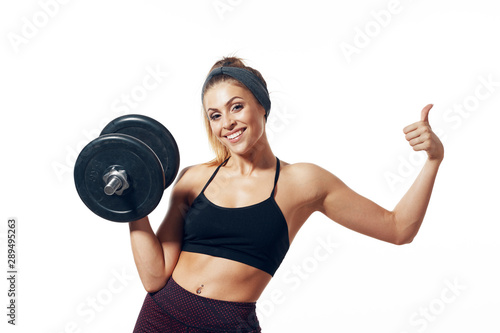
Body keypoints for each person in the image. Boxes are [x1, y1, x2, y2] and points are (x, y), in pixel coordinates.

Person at [130, 57, 444, 332]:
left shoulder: (303, 182)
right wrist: (131, 204)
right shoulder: (193, 179)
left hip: (229, 325)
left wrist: (433, 160)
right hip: (161, 318)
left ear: (262, 105)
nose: (227, 123)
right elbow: (154, 277)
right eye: (215, 115)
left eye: (236, 107)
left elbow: (398, 228)